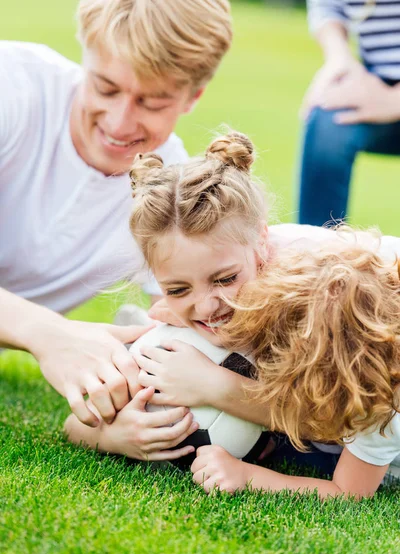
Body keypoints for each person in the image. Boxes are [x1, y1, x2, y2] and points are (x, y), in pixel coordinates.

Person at [65, 131, 400, 482]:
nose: (208, 306)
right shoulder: (201, 309)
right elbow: (76, 424)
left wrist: (215, 385)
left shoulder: (323, 300)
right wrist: (112, 437)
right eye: (177, 288)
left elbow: (339, 425)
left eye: (224, 279)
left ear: (261, 243)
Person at [0, 0, 232, 450]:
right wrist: (47, 333)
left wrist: (119, 424)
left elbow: (185, 337)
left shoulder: (173, 194)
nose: (120, 122)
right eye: (105, 88)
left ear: (193, 97)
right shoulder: (12, 87)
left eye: (152, 102)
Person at [193, 237, 400, 499]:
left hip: (358, 458)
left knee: (306, 457)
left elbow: (348, 492)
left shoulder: (384, 409)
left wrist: (245, 476)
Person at [298, 0, 400, 226]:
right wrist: (339, 59)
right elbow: (329, 6)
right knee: (327, 122)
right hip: (375, 84)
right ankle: (318, 253)